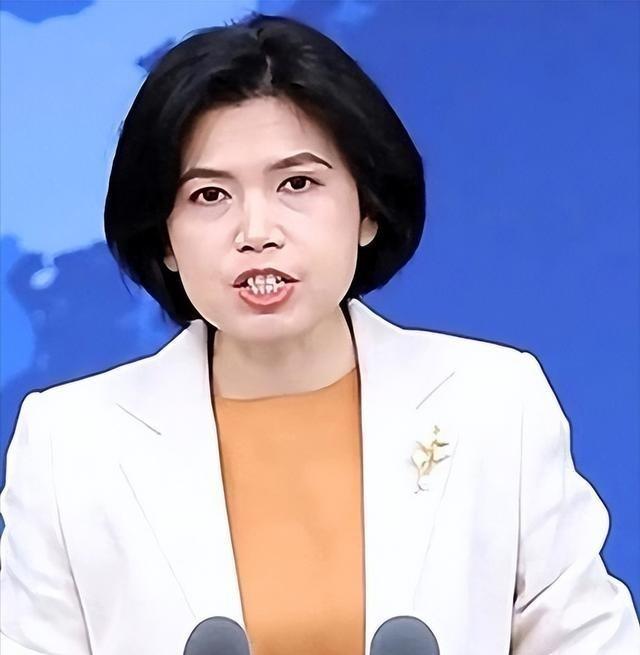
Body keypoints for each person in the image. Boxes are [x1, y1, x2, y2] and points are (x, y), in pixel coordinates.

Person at [1, 12, 638, 655]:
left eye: (297, 184)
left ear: (367, 210)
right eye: (210, 196)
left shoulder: (495, 403)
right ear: (164, 238)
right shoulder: (69, 444)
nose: (256, 232)